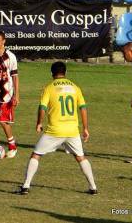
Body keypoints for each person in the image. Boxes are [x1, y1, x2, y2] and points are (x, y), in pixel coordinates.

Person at [16, 61, 97, 195]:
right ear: (65, 73)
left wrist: (39, 123)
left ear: (52, 73)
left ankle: (25, 186)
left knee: (36, 155)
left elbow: (42, 107)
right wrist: (85, 128)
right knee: (80, 157)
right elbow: (83, 108)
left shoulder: (49, 87)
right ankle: (93, 187)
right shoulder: (75, 87)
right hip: (72, 131)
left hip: (55, 130)